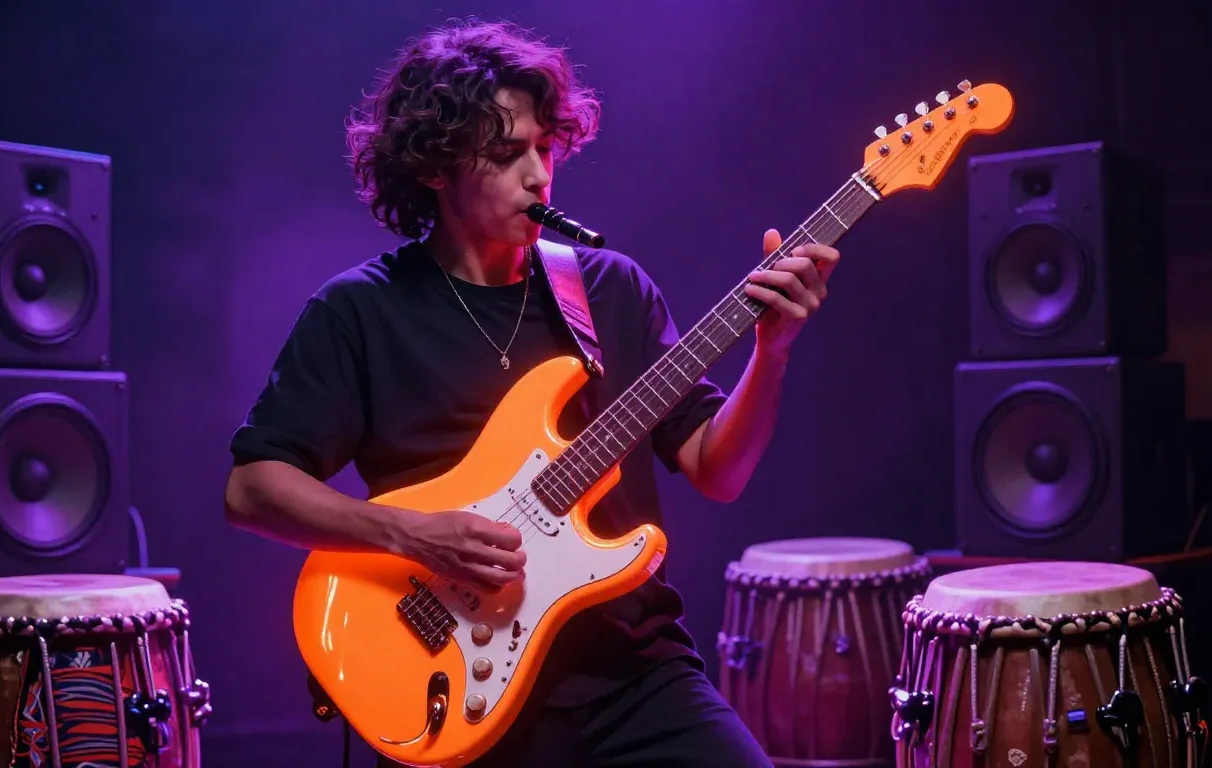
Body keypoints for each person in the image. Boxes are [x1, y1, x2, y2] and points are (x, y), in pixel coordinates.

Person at [224, 18, 840, 768]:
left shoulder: (609, 290)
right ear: (435, 167)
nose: (538, 176)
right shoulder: (359, 310)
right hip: (454, 677)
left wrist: (772, 352)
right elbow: (252, 489)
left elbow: (719, 471)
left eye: (545, 148)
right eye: (505, 154)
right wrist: (411, 534)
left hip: (632, 673)